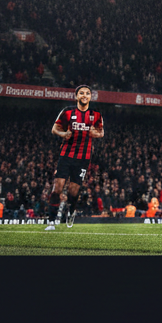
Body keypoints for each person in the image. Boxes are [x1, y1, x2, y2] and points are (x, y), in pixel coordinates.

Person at [45, 84, 104, 230]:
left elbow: (101, 133)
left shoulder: (96, 114)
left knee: (73, 190)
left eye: (87, 93)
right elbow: (54, 129)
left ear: (91, 96)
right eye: (82, 93)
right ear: (76, 96)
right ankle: (51, 221)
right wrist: (63, 134)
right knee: (57, 187)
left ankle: (71, 211)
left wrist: (93, 133)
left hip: (83, 157)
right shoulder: (67, 112)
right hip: (66, 154)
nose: (85, 95)